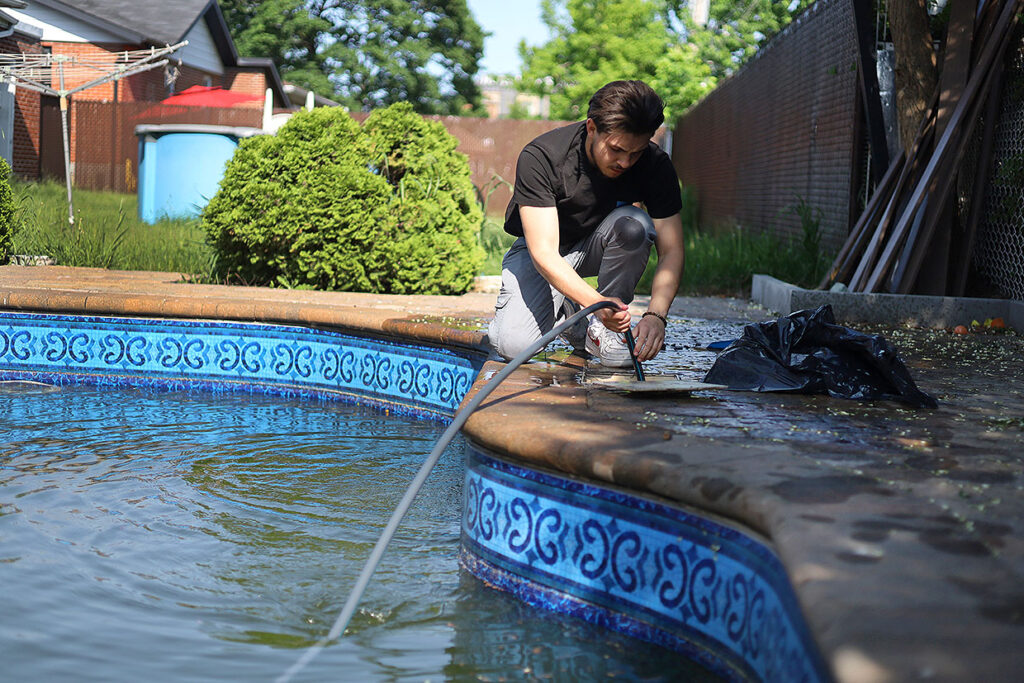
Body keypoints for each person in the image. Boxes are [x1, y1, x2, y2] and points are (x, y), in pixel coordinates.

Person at [487, 80, 685, 367]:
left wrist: (656, 316)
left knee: (635, 224)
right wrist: (595, 303)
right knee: (514, 346)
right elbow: (543, 253)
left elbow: (672, 250)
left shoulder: (655, 165)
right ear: (592, 128)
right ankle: (571, 310)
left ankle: (602, 331)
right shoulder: (544, 157)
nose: (626, 162)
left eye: (636, 152)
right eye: (616, 149)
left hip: (599, 245)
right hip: (543, 252)